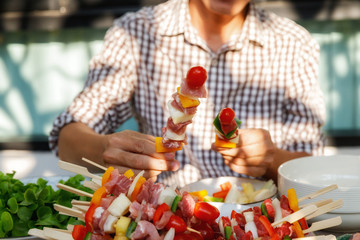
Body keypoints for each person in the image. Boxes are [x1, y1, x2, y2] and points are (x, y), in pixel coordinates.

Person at [49, 0, 326, 187]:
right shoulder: (136, 32)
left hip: (258, 217)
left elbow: (313, 168)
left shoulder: (294, 43)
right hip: (161, 215)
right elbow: (67, 139)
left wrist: (271, 159)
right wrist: (105, 150)